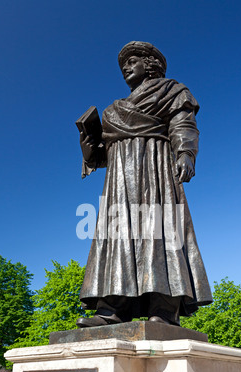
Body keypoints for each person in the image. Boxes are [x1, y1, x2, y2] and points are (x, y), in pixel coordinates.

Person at [77, 41, 212, 328]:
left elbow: (183, 124)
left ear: (150, 64)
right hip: (120, 180)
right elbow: (102, 156)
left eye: (132, 61)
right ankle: (113, 309)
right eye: (123, 64)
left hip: (156, 169)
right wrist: (89, 148)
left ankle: (163, 310)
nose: (126, 67)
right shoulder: (114, 110)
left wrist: (186, 153)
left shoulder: (172, 91)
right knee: (117, 236)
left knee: (160, 232)